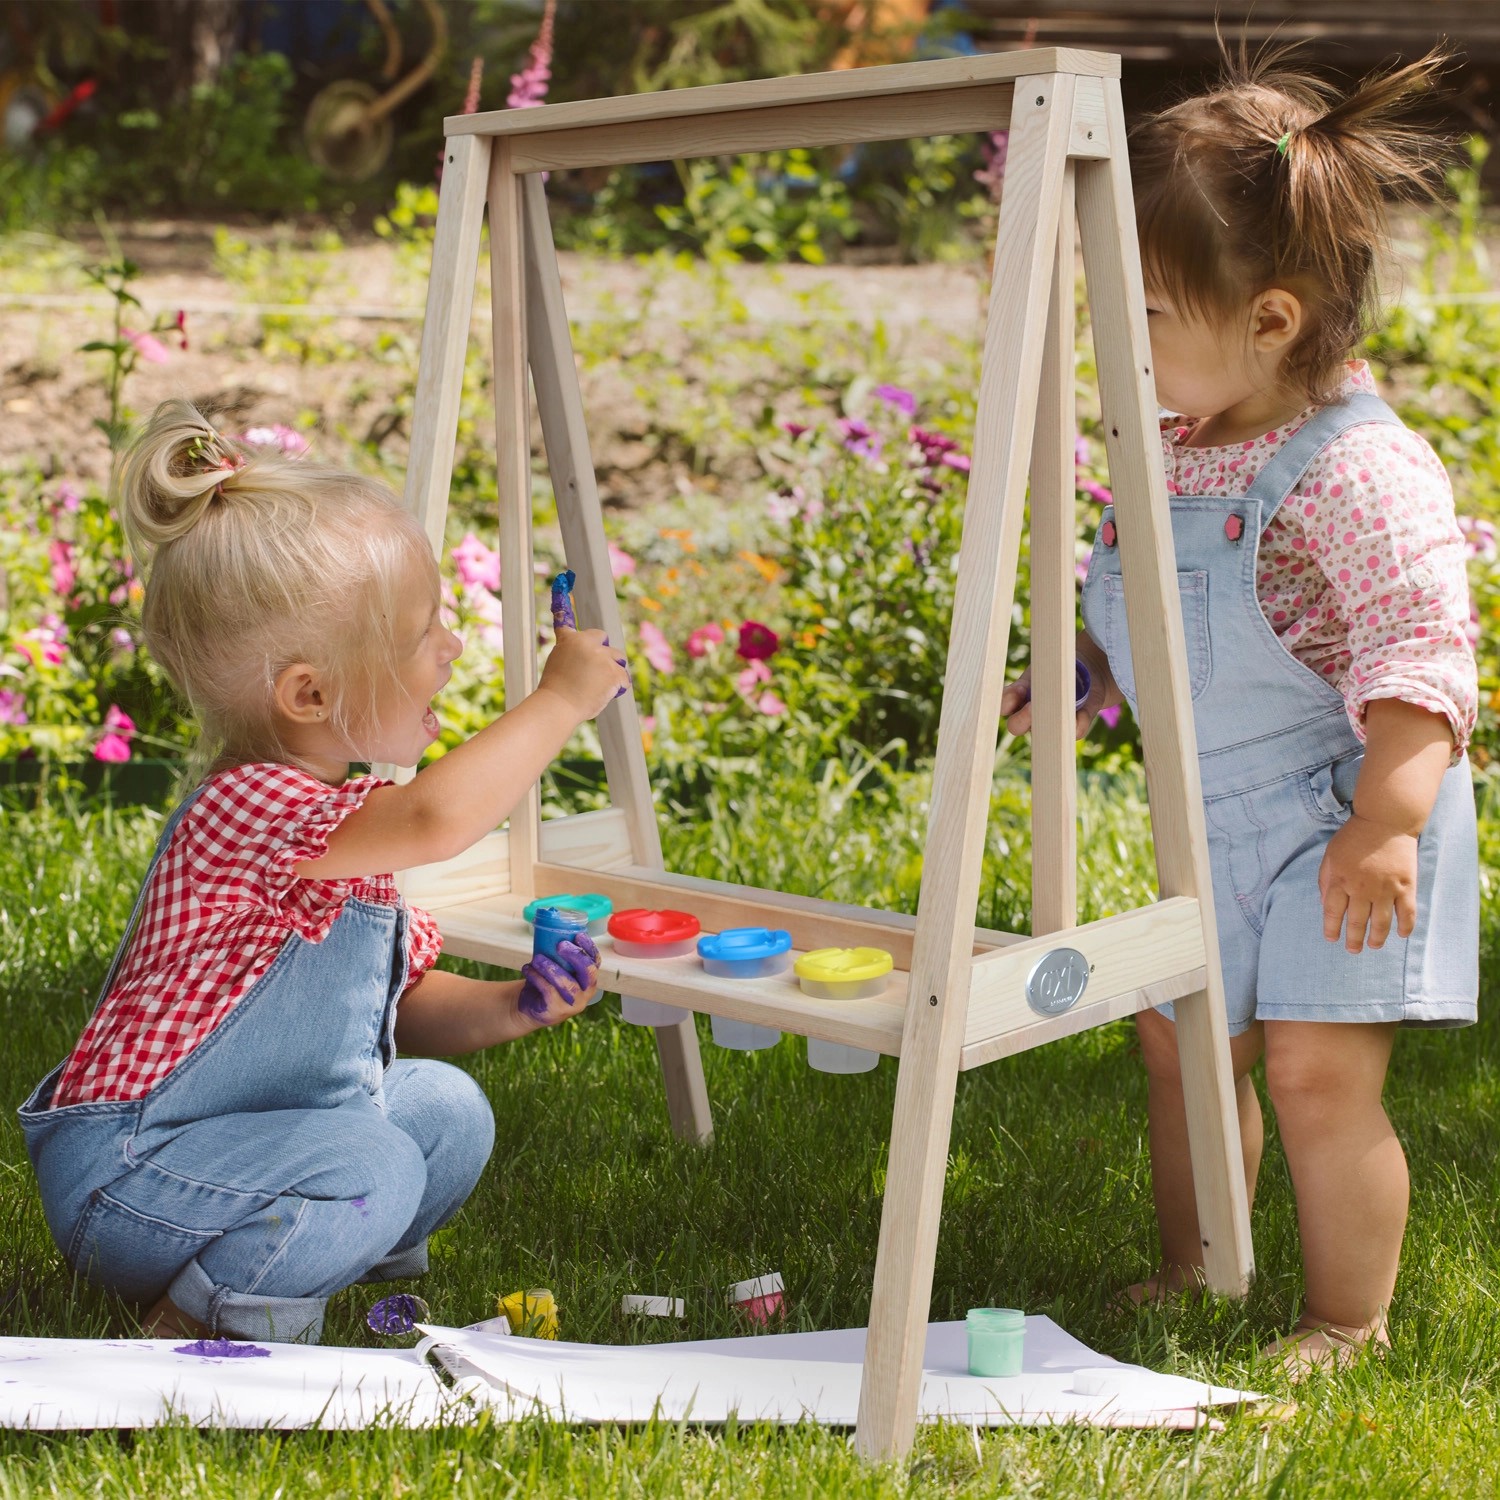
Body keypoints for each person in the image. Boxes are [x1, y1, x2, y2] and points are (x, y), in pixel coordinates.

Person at [1002, 47, 1478, 1374]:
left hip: (1345, 819)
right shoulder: (1176, 438)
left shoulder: (1361, 471)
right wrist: (1090, 674)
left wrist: (1385, 823)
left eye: (1144, 315)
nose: (1119, 345)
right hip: (1211, 816)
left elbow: (1422, 656)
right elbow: (1153, 600)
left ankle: (1346, 1320)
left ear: (1269, 319)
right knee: (1182, 1045)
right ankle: (1200, 1268)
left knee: (1321, 1079)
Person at [19, 400, 628, 1344]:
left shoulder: (353, 828)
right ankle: (186, 1326)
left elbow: (402, 1006)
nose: (452, 649)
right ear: (311, 694)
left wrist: (517, 1003)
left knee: (446, 1113)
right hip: (131, 1175)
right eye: (425, 637)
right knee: (370, 1159)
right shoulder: (254, 807)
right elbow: (440, 817)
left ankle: (313, 1262)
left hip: (253, 1153)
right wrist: (559, 701)